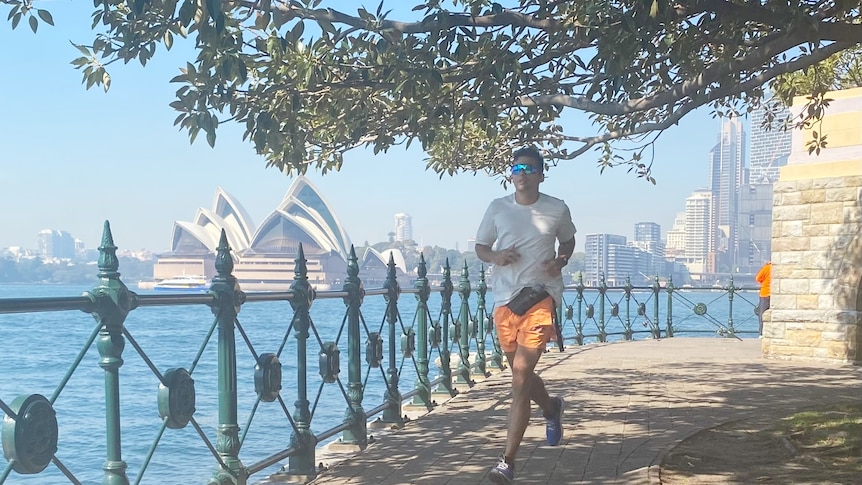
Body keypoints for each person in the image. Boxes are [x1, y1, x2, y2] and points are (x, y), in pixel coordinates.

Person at [475, 147, 577, 484]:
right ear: (510, 174)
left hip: (541, 296)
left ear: (541, 174)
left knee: (519, 376)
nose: (522, 173)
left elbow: (569, 241)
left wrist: (560, 262)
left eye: (529, 168)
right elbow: (481, 247)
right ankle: (551, 408)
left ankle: (507, 462)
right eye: (516, 167)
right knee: (519, 373)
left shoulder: (556, 208)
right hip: (505, 300)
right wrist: (496, 256)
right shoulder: (497, 208)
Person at [756, 261, 772, 336]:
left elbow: (758, 278)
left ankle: (761, 333)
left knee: (762, 314)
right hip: (775, 294)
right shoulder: (778, 268)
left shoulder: (766, 268)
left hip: (765, 293)